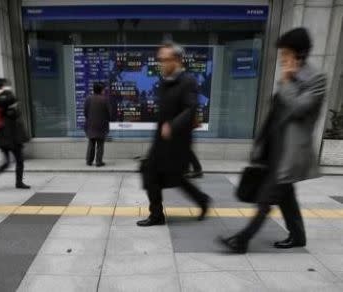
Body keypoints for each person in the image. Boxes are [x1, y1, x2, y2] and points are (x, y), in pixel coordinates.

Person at [219, 28, 326, 253]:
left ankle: (242, 240)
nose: (281, 58)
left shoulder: (317, 79)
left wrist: (286, 82)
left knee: (267, 199)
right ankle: (298, 236)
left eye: (285, 53)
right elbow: (275, 114)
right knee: (286, 197)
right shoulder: (290, 78)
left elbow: (298, 108)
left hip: (290, 153)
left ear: (300, 54)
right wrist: (260, 143)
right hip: (273, 149)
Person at [137, 42, 211, 227]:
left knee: (176, 178)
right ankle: (156, 215)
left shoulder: (188, 81)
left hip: (178, 143)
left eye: (165, 59)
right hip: (161, 141)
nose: (161, 63)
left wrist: (172, 125)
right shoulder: (164, 81)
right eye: (160, 59)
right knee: (150, 173)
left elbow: (190, 108)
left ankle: (202, 200)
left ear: (177, 60)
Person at [0, 78, 30, 189]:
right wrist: (7, 92)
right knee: (18, 160)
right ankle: (18, 182)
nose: (7, 87)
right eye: (5, 85)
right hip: (10, 135)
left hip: (5, 135)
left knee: (7, 162)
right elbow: (12, 99)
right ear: (1, 86)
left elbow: (12, 103)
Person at [84, 82, 111, 167]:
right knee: (100, 144)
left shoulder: (88, 99)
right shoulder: (105, 99)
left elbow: (85, 112)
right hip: (102, 125)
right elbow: (109, 113)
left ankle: (89, 161)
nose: (104, 91)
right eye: (103, 90)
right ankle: (98, 162)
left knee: (91, 142)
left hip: (90, 124)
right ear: (101, 90)